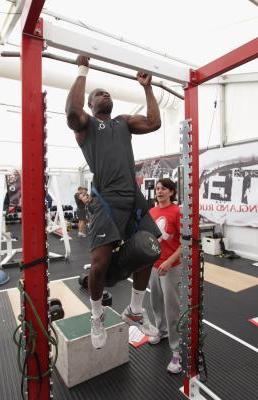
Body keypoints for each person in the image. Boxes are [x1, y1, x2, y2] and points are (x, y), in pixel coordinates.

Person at [65, 55, 161, 349]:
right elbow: (71, 111)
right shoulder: (86, 127)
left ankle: (134, 309)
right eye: (98, 94)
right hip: (107, 201)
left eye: (107, 93)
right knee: (99, 264)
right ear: (91, 105)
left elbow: (155, 122)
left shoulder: (122, 123)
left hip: (133, 199)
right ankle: (96, 316)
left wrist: (147, 88)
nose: (104, 94)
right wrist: (83, 71)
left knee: (149, 251)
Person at [148, 178, 182, 374]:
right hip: (153, 265)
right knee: (155, 302)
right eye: (158, 188)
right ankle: (160, 331)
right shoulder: (152, 212)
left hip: (171, 266)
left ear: (171, 192)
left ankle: (176, 351)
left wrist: (168, 262)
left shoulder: (177, 212)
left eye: (164, 189)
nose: (159, 191)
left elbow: (185, 243)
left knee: (172, 308)